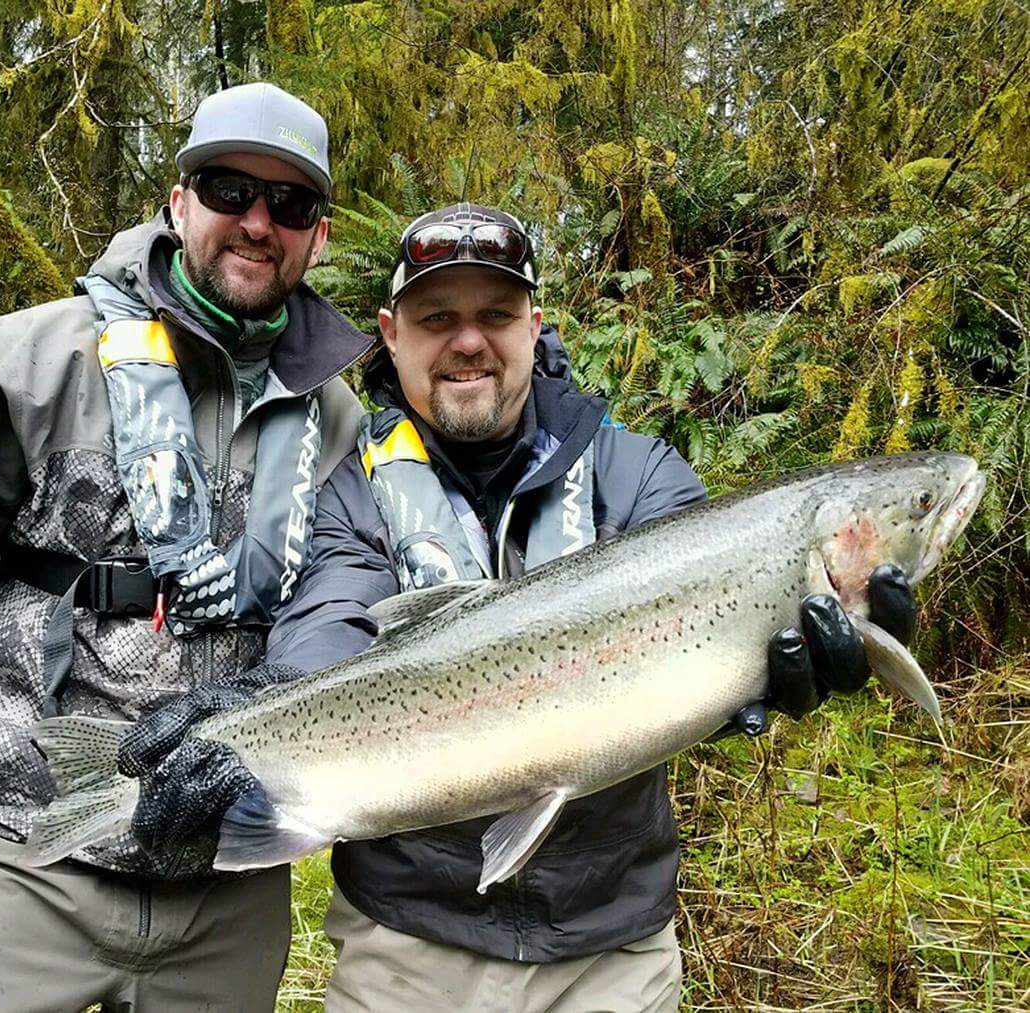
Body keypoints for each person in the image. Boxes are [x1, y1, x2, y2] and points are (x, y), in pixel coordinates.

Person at [125, 203, 919, 1011]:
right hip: (406, 947)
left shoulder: (638, 477)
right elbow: (325, 638)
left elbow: (716, 653)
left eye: (496, 315)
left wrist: (786, 669)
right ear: (390, 333)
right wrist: (252, 714)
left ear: (535, 326)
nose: (469, 340)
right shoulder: (353, 494)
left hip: (611, 950)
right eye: (438, 317)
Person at [0, 82, 372, 1011]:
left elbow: (342, 618)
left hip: (225, 889)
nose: (257, 222)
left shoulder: (339, 421)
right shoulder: (36, 360)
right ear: (177, 202)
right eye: (227, 190)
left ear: (318, 234)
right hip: (12, 847)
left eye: (288, 204)